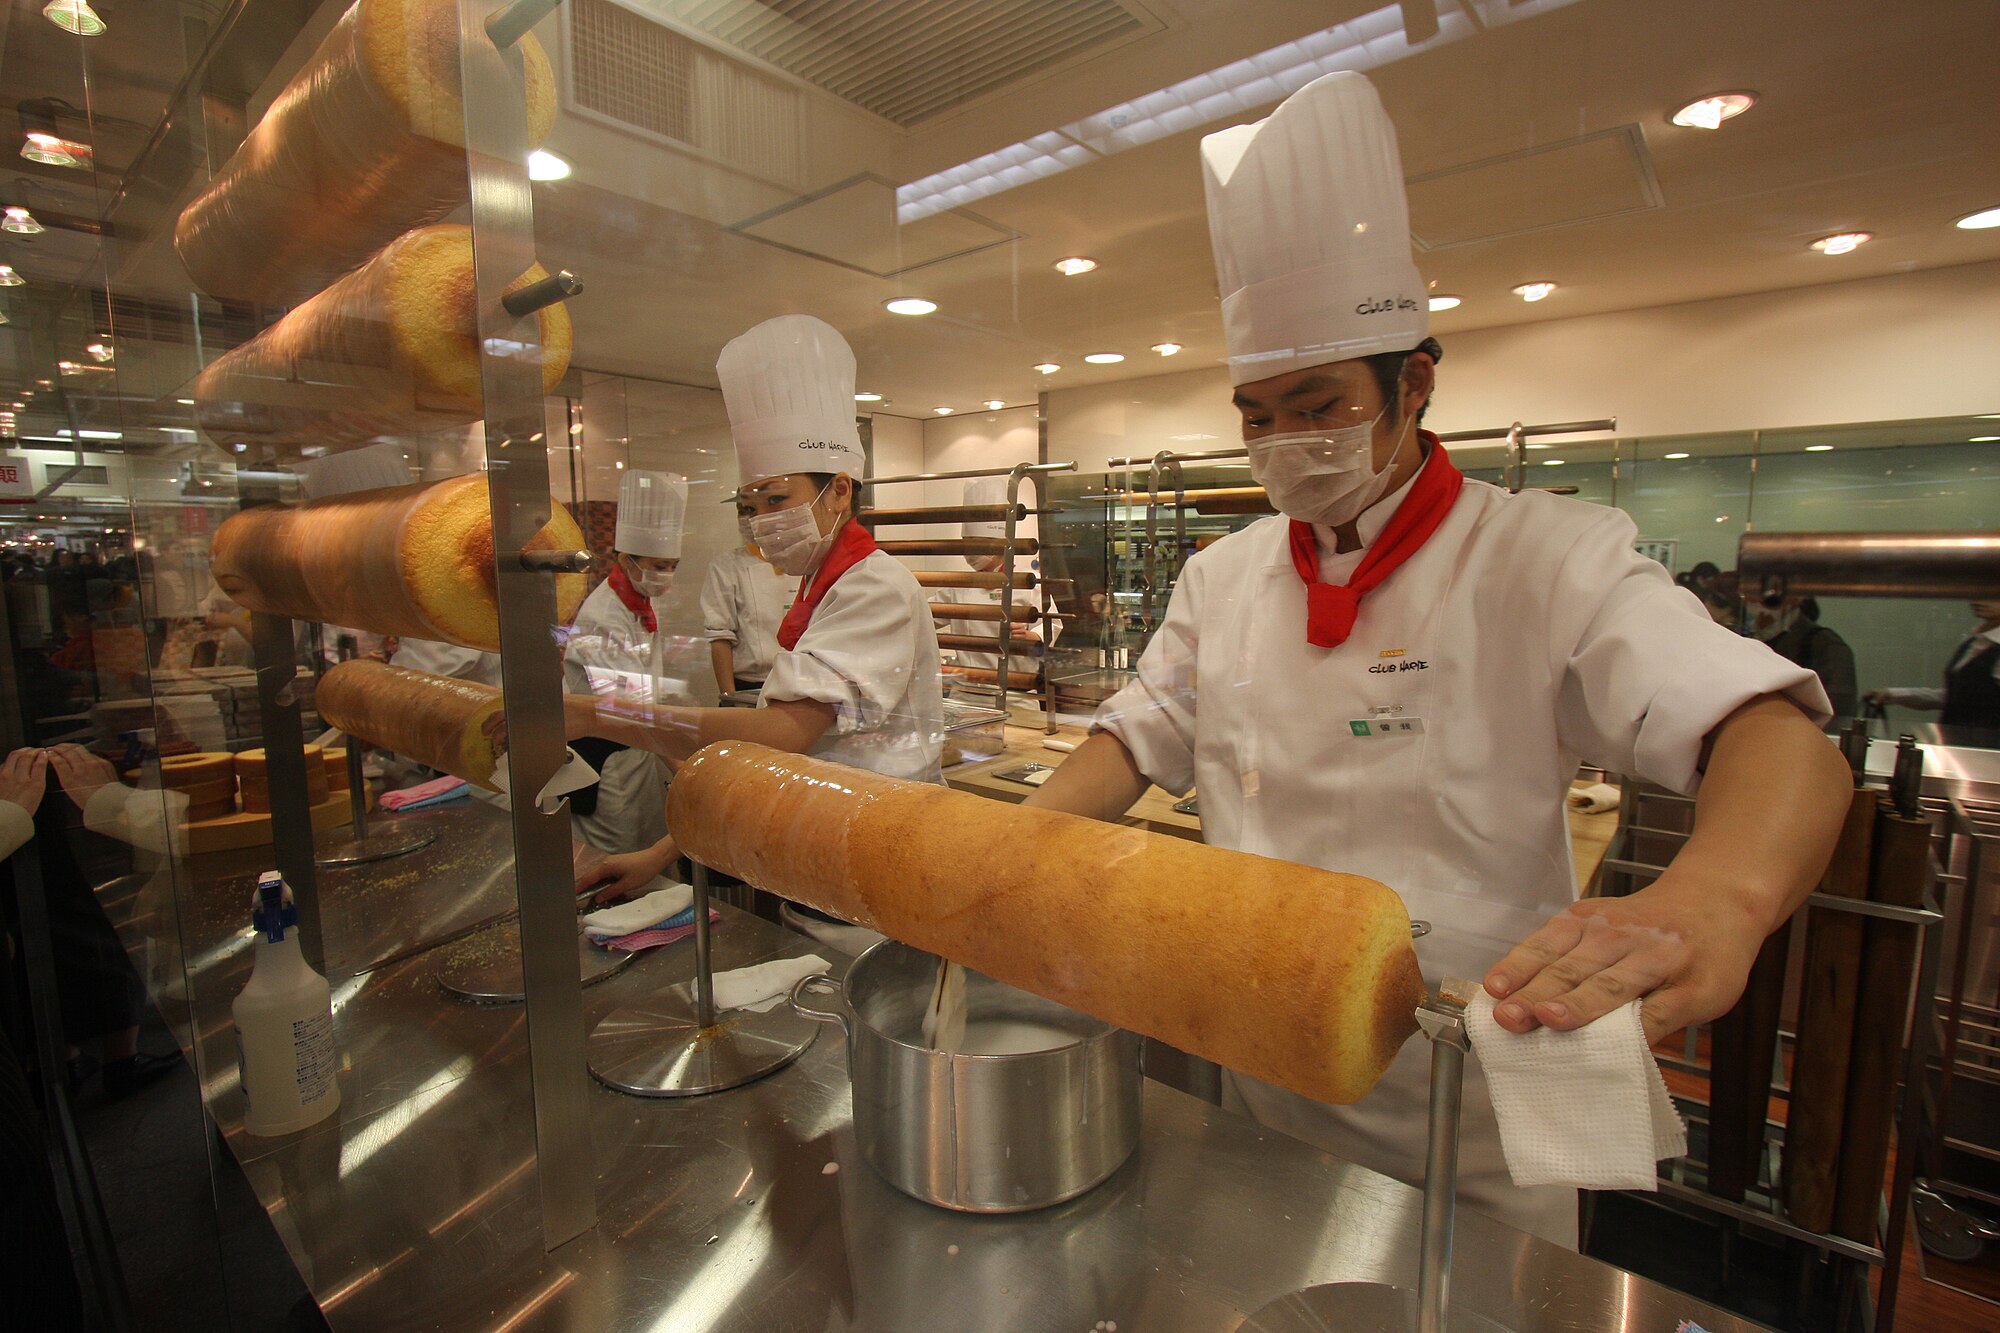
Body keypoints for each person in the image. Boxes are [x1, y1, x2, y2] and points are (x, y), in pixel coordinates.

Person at [1020, 72, 1850, 1247]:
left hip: (1466, 1100)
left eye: (1314, 404)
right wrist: (1001, 851)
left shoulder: (1541, 555)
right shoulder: (1224, 575)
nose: (1281, 442)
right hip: (1262, 1068)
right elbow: (1134, 734)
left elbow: (1773, 737)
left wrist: (1716, 896)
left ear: (1411, 383)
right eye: (1255, 414)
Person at [567, 315, 945, 949]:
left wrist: (591, 714)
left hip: (874, 865)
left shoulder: (874, 587)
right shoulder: (819, 585)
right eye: (751, 506)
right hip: (823, 855)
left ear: (839, 491)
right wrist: (661, 855)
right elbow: (771, 761)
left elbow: (784, 734)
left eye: (775, 500)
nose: (762, 521)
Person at [562, 470, 689, 853]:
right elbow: (628, 708)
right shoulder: (605, 616)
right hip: (608, 763)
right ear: (626, 560)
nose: (665, 575)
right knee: (618, 856)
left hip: (639, 751)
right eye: (657, 566)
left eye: (672, 566)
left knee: (647, 846)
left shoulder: (638, 603)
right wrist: (681, 765)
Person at [932, 475, 1062, 686]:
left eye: (978, 544)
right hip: (965, 693)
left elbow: (1053, 625)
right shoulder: (958, 585)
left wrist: (1032, 637)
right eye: (967, 543)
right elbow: (923, 617)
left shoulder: (1028, 582)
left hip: (1015, 693)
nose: (970, 551)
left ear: (1001, 545)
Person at [1867, 598, 2000, 739]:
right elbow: (1958, 696)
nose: (1978, 601)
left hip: (1986, 742)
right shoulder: (1975, 640)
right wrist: (1894, 695)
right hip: (1958, 739)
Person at [700, 512, 794, 697]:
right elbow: (720, 636)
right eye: (744, 509)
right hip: (749, 685)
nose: (749, 517)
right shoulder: (726, 565)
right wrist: (730, 698)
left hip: (799, 681)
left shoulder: (805, 563)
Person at [1750, 595, 1858, 721]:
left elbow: (1838, 717)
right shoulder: (1741, 636)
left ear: (1800, 596)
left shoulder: (1825, 646)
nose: (1755, 597)